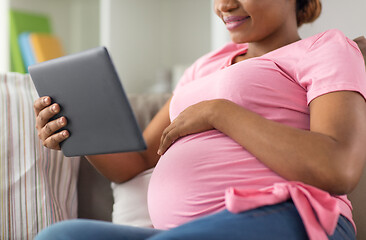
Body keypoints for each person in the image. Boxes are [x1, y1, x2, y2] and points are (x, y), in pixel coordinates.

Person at [34, 0, 366, 239]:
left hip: (297, 216)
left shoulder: (325, 48)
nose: (224, 5)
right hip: (187, 231)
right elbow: (135, 161)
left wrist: (219, 112)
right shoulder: (204, 66)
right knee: (60, 236)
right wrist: (78, 127)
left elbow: (339, 167)